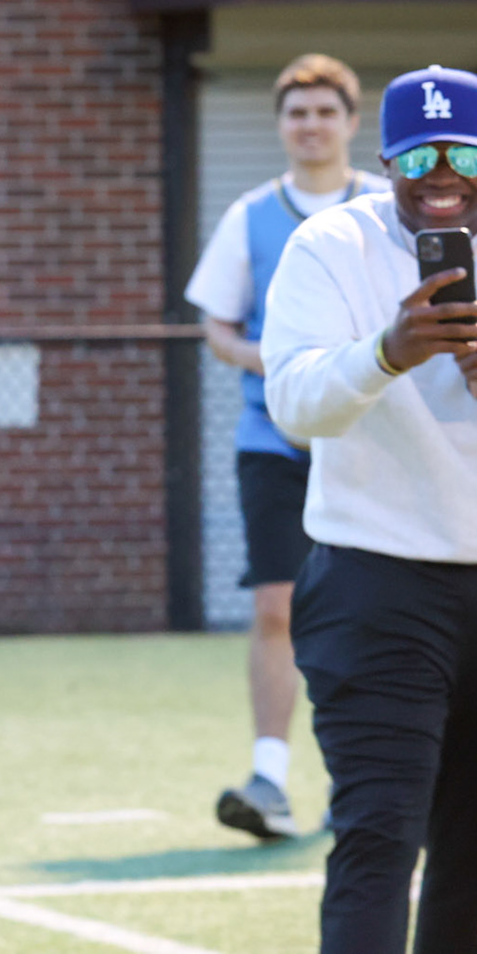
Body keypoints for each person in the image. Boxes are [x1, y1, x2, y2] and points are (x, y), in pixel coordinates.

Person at [262, 64, 477, 952]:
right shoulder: (329, 245)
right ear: (385, 158)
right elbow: (295, 403)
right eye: (417, 154)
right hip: (375, 582)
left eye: (461, 151)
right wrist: (385, 352)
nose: (440, 174)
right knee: (381, 834)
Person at [184, 53, 387, 839]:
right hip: (274, 443)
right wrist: (275, 360)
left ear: (350, 123)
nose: (311, 125)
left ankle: (361, 779)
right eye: (297, 113)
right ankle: (269, 778)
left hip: (372, 442)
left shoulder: (384, 211)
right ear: (281, 127)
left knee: (374, 607)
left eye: (324, 112)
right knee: (278, 607)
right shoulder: (252, 215)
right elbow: (217, 326)